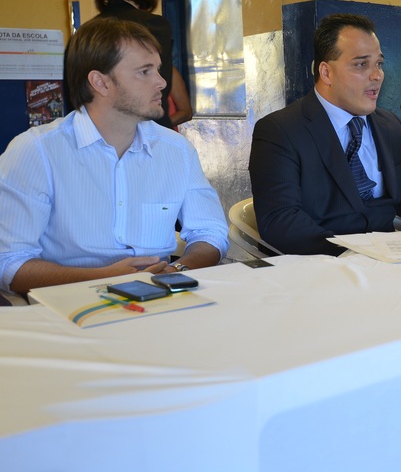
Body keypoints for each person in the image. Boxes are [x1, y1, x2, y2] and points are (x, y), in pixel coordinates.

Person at [0, 17, 229, 297]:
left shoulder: (176, 149)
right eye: (145, 71)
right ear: (101, 82)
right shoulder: (37, 151)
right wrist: (104, 279)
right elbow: (8, 264)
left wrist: (176, 271)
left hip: (160, 299)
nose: (161, 82)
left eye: (158, 69)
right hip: (68, 304)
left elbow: (210, 232)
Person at [248, 13, 401, 256]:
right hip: (320, 265)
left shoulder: (390, 127)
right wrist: (354, 255)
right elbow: (280, 222)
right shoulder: (280, 131)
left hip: (389, 263)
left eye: (379, 64)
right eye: (361, 64)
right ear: (326, 73)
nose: (377, 75)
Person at [64, 0, 178, 129]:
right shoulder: (154, 26)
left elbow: (73, 99)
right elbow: (159, 91)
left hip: (89, 132)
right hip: (146, 131)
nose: (160, 81)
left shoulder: (82, 35)